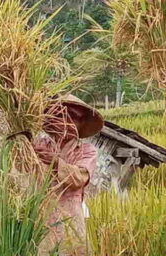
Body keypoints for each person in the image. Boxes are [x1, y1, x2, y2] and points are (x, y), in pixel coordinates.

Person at [34, 95, 102, 256]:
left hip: (71, 215)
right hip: (44, 215)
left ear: (80, 124)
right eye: (60, 116)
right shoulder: (40, 145)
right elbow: (21, 164)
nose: (66, 123)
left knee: (75, 249)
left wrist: (55, 163)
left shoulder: (86, 150)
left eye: (73, 118)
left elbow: (78, 179)